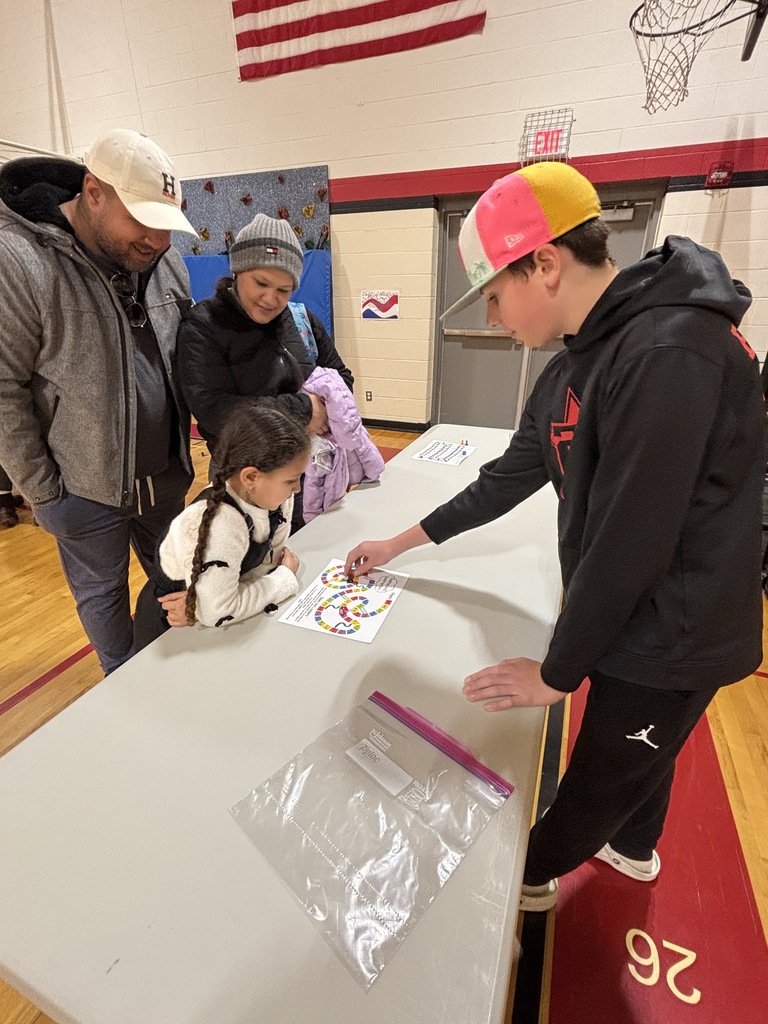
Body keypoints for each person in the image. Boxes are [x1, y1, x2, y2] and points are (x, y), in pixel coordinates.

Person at [344, 161, 764, 912]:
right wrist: (397, 543)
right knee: (644, 750)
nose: (497, 319)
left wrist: (558, 672)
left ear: (544, 263)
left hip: (677, 627)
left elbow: (632, 540)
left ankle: (523, 880)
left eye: (497, 295)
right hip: (631, 610)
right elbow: (505, 480)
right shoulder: (572, 364)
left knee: (605, 767)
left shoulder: (670, 351)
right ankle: (635, 847)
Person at [0, 128, 198, 675]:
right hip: (82, 491)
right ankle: (124, 690)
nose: (158, 241)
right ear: (93, 191)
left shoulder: (164, 261)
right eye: (143, 221)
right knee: (104, 599)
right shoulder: (17, 260)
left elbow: (192, 359)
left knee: (178, 580)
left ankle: (179, 678)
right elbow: (2, 390)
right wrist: (42, 492)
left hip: (165, 478)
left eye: (166, 226)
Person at [175, 212, 353, 531]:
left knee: (312, 558)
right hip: (245, 481)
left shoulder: (302, 322)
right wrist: (302, 409)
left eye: (284, 290)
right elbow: (214, 410)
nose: (270, 299)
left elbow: (342, 378)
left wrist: (329, 403)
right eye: (261, 283)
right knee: (252, 568)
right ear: (238, 271)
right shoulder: (204, 326)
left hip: (312, 472)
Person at [132, 403, 309, 650]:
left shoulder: (276, 498)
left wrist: (211, 603)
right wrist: (283, 579)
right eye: (290, 480)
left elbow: (265, 565)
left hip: (208, 614)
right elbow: (220, 611)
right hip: (173, 624)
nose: (297, 489)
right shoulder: (221, 525)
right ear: (250, 478)